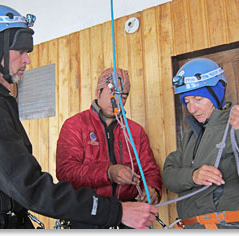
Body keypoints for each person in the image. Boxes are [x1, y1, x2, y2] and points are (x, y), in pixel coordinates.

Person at [0, 4, 158, 229]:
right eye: (21, 51)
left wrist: (148, 190)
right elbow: (29, 186)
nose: (27, 60)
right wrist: (115, 209)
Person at [163, 58, 239, 229]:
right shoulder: (192, 133)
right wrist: (193, 176)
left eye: (198, 99)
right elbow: (169, 175)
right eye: (187, 101)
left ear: (216, 95)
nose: (191, 109)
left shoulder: (237, 127)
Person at [56, 67, 163, 229]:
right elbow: (66, 172)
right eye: (113, 94)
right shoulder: (75, 125)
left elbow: (150, 171)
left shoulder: (135, 131)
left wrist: (152, 189)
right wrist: (108, 172)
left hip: (129, 215)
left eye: (124, 96)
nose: (118, 102)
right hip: (88, 213)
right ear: (98, 92)